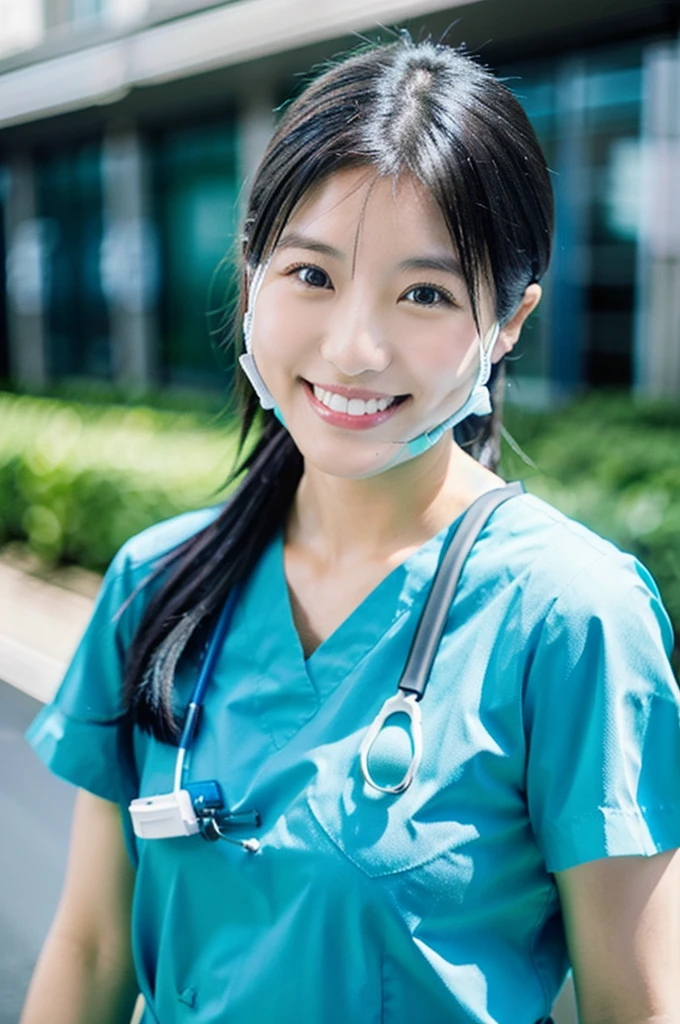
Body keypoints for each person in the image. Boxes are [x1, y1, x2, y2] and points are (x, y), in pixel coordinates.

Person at [21, 37, 680, 1024]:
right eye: (310, 275)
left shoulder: (570, 617)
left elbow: (636, 1005)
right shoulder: (154, 581)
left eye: (423, 293)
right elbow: (91, 943)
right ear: (250, 275)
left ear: (507, 323)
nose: (353, 349)